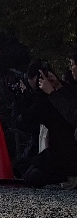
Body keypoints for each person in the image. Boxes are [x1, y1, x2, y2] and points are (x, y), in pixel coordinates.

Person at [15, 58, 77, 187]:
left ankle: (69, 177)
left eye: (72, 64)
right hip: (60, 148)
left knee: (32, 177)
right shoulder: (65, 89)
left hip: (68, 150)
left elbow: (72, 115)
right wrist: (58, 86)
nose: (71, 68)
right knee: (25, 170)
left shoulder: (47, 98)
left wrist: (50, 92)